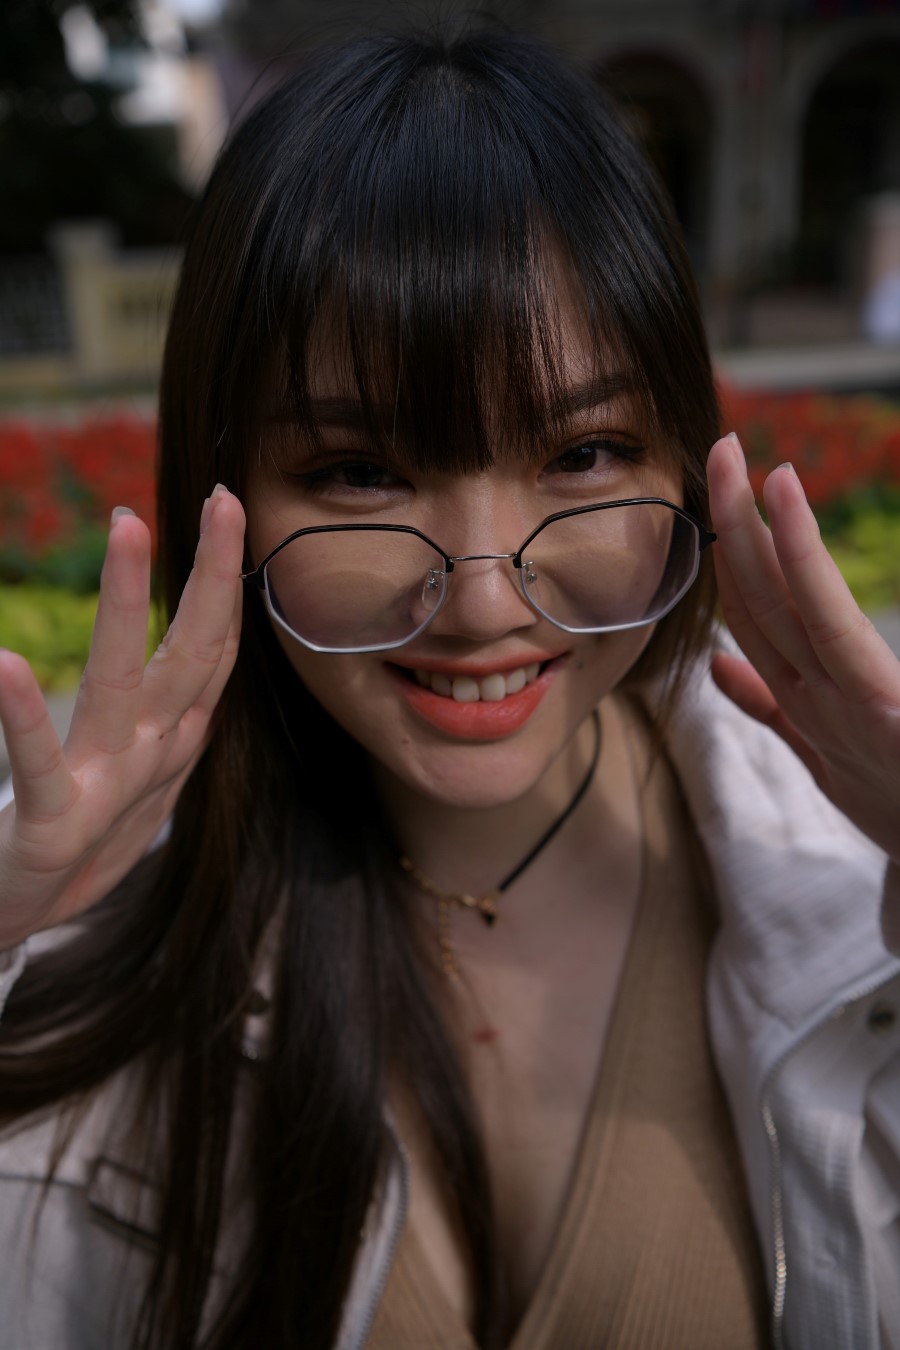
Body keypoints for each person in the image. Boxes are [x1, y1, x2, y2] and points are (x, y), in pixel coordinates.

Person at [0, 25, 898, 1350]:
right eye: (362, 473)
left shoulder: (844, 878)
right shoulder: (87, 914)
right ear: (225, 496)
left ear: (687, 461)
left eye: (583, 452)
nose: (483, 601)